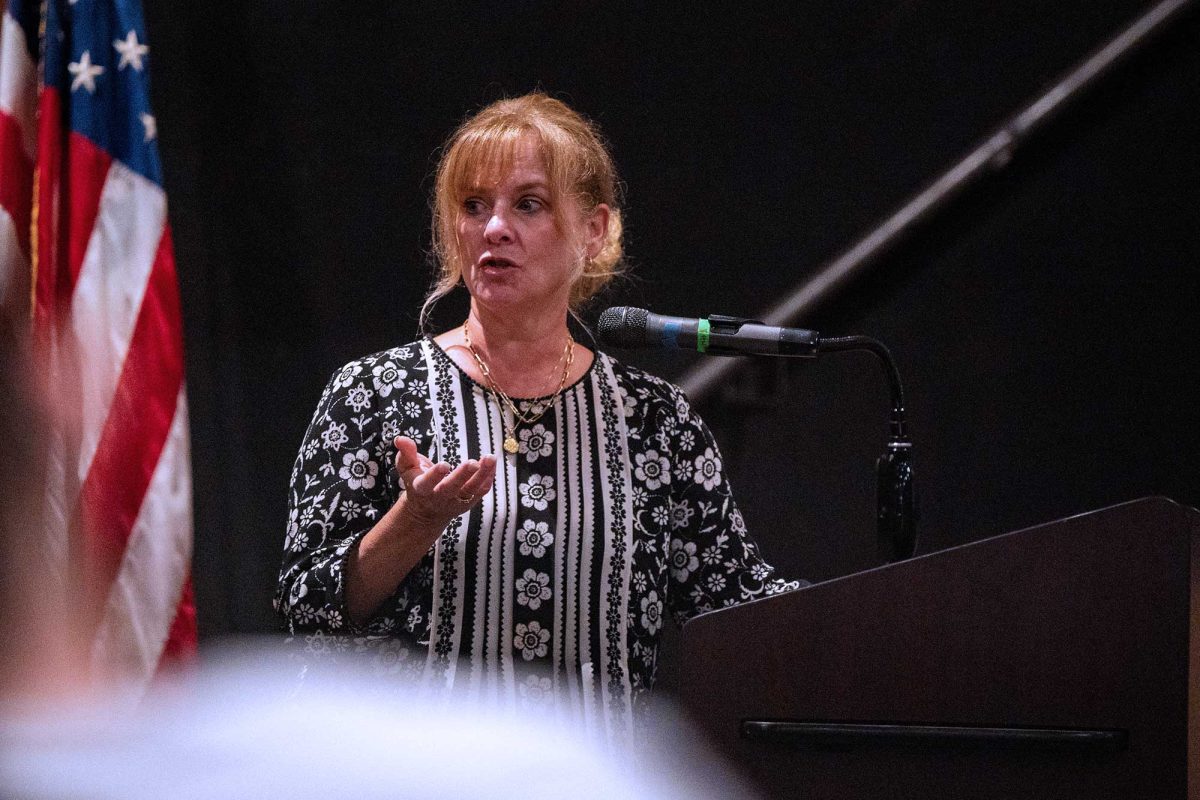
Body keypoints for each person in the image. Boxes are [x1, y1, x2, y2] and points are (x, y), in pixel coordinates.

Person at [274, 92, 801, 742]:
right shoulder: (376, 392)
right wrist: (415, 521)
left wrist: (894, 615)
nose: (494, 228)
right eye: (473, 206)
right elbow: (306, 609)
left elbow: (737, 605)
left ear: (595, 229)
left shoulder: (656, 421)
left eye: (528, 203)